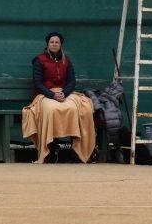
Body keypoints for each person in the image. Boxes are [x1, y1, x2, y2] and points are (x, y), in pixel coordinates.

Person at [22, 31, 96, 163]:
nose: (54, 44)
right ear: (47, 44)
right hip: (45, 95)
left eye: (57, 42)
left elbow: (71, 81)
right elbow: (37, 83)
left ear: (60, 45)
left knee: (76, 109)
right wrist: (52, 95)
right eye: (52, 42)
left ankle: (77, 152)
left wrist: (64, 93)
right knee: (51, 110)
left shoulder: (66, 60)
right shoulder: (39, 60)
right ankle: (51, 148)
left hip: (64, 94)